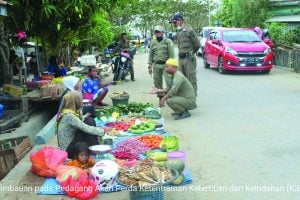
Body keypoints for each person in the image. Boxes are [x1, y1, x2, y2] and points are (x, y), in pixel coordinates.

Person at [56, 91, 104, 156]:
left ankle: (95, 146)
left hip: (70, 145)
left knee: (89, 120)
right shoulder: (69, 115)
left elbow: (78, 121)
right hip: (68, 151)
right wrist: (103, 131)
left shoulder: (68, 112)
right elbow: (85, 128)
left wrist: (85, 116)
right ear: (76, 102)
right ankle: (95, 150)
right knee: (87, 128)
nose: (81, 102)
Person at [170, 13, 200, 95]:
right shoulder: (178, 32)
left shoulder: (189, 31)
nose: (174, 24)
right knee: (182, 78)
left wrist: (191, 53)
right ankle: (186, 96)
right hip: (181, 59)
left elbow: (197, 44)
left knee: (191, 78)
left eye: (175, 22)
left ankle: (193, 98)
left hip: (189, 59)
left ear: (180, 21)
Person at [148, 25, 174, 102]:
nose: (157, 34)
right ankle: (160, 98)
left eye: (159, 32)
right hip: (156, 65)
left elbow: (171, 55)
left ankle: (171, 97)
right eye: (156, 32)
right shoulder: (153, 42)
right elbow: (151, 55)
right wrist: (149, 65)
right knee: (157, 83)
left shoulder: (168, 41)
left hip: (166, 65)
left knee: (169, 82)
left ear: (162, 32)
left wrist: (171, 66)